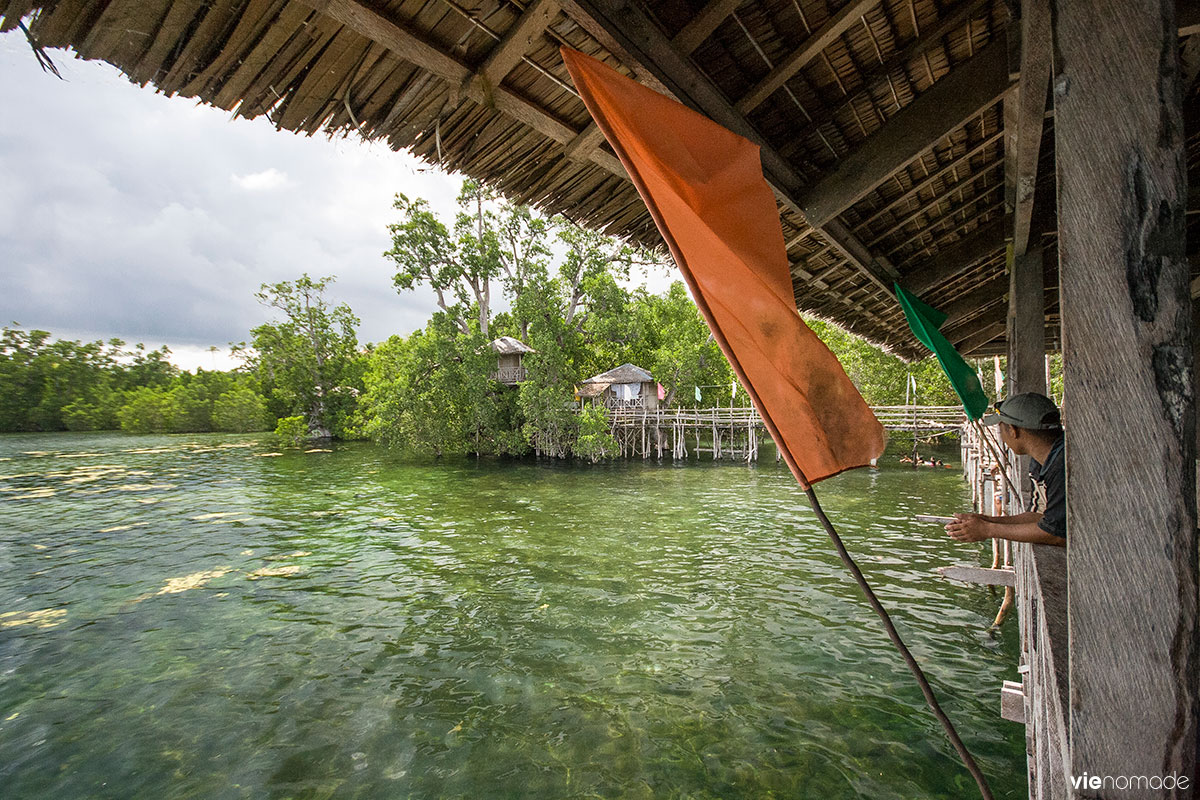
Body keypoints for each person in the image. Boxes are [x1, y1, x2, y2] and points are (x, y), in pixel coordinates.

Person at [945, 392, 1066, 547]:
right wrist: (985, 520)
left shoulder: (1062, 464)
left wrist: (988, 530)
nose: (1001, 436)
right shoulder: (1043, 459)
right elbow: (1040, 517)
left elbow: (1055, 533)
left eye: (1000, 428)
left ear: (1013, 430)